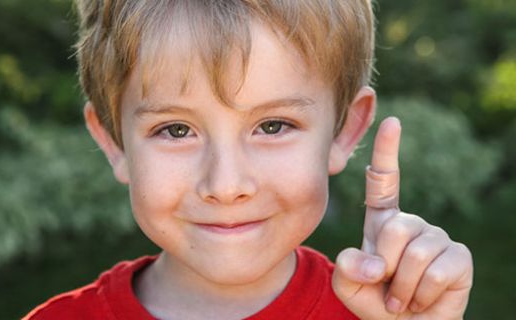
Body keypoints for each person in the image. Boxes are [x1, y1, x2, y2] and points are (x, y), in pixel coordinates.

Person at [24, 1, 473, 319]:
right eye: (175, 130)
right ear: (114, 142)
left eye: (274, 126)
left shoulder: (379, 316)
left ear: (344, 130)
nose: (225, 183)